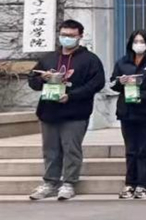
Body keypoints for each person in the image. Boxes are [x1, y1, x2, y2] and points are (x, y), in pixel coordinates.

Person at [27, 19, 106, 201]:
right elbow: (33, 80)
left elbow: (96, 83)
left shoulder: (90, 60)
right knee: (50, 149)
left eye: (71, 35)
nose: (67, 38)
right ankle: (50, 182)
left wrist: (71, 95)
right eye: (63, 35)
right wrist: (43, 79)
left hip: (75, 112)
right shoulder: (48, 58)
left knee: (71, 148)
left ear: (80, 36)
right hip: (49, 111)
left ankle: (69, 182)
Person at [109, 29, 146, 199]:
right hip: (126, 111)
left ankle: (143, 184)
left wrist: (145, 95)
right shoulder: (122, 62)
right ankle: (130, 183)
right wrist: (120, 82)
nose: (139, 45)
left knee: (144, 149)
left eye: (142, 41)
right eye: (136, 41)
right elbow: (112, 83)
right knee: (131, 149)